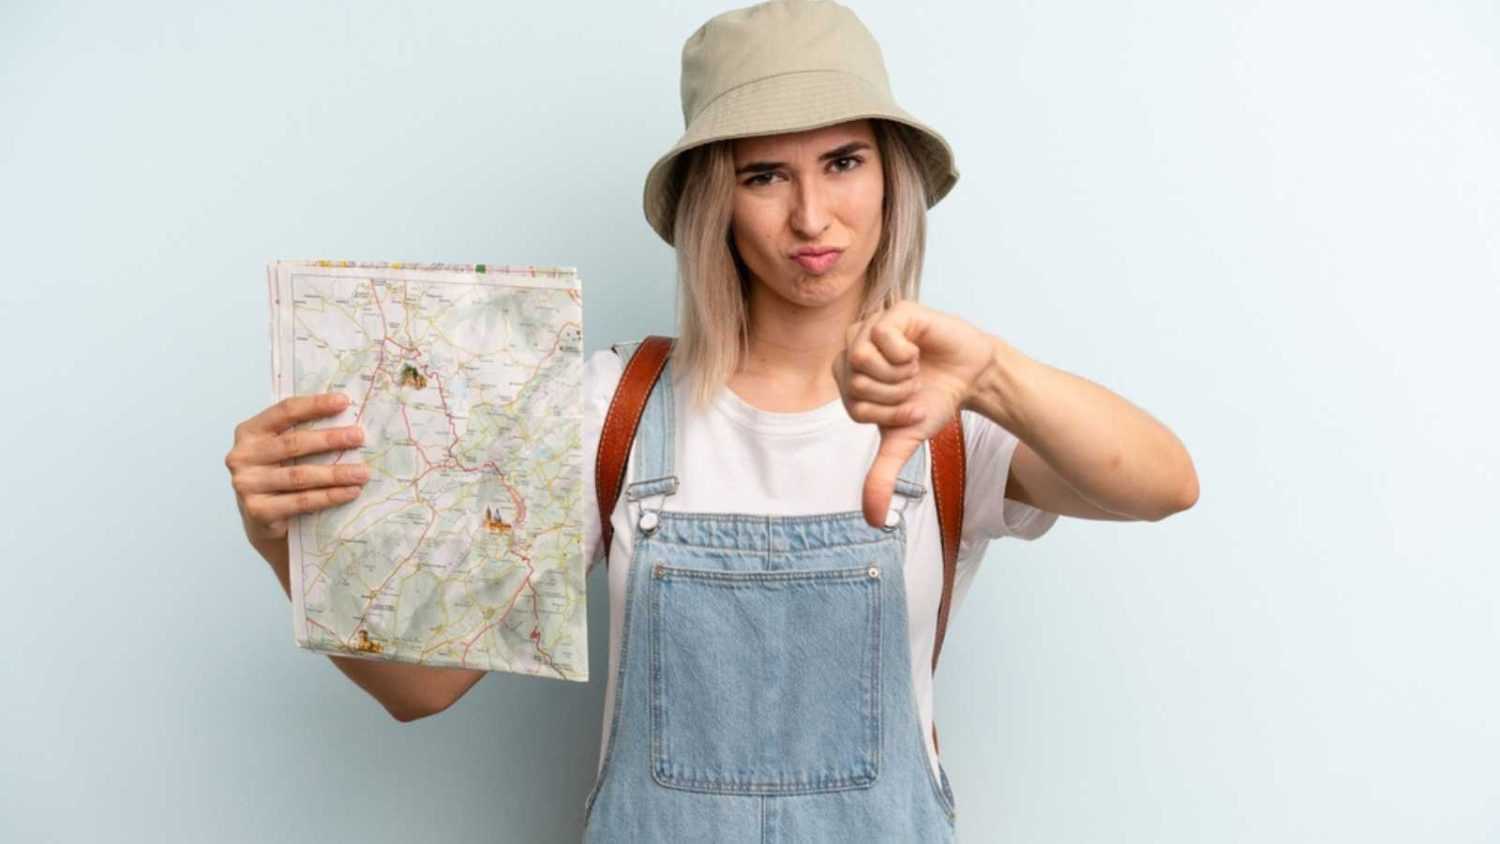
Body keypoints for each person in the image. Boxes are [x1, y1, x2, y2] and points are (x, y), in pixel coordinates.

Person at [225, 1, 1199, 840]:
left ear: (891, 176)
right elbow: (421, 690)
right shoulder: (611, 408)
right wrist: (291, 543)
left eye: (844, 161)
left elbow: (1163, 483)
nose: (812, 216)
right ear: (715, 203)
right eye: (763, 174)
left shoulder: (947, 414)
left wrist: (989, 371)